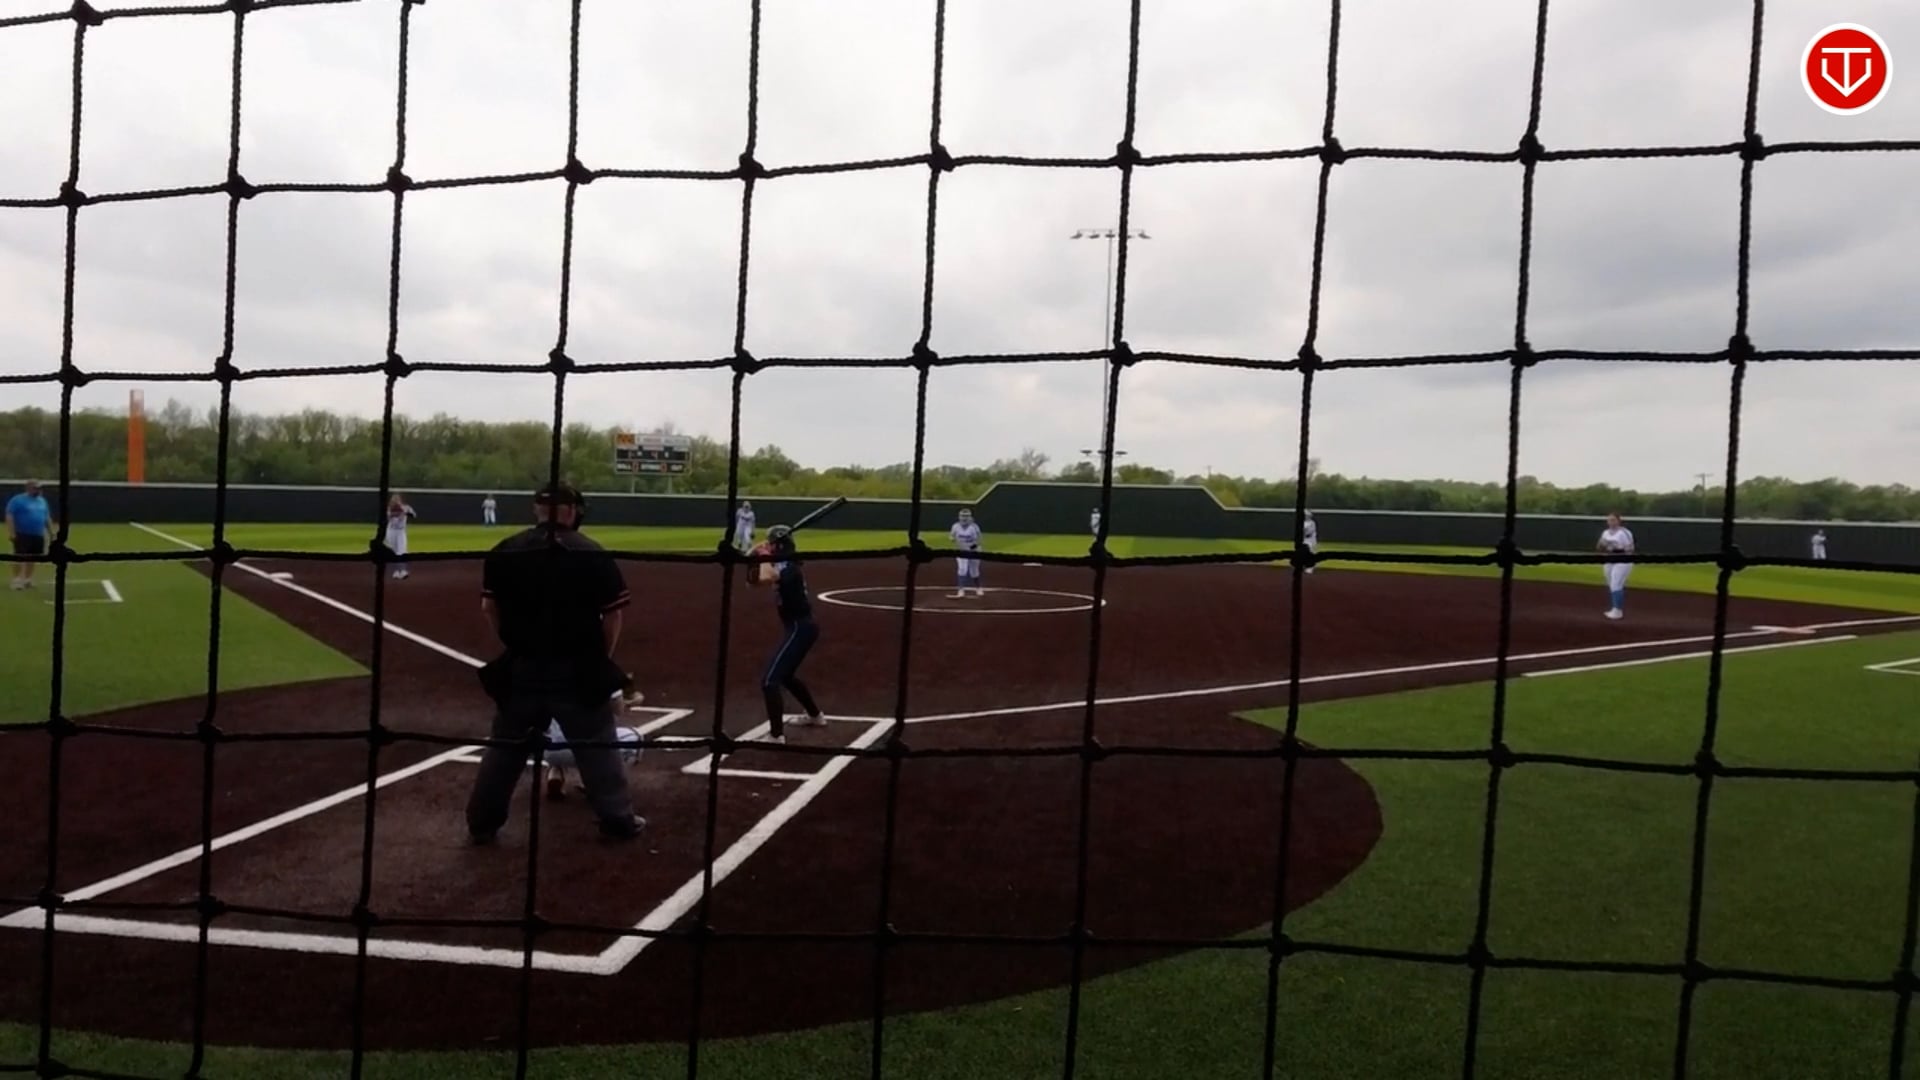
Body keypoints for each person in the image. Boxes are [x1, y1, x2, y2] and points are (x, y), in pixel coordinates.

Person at [466, 481, 645, 843]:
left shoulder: (506, 550)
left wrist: (515, 645)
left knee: (505, 748)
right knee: (597, 745)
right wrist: (598, 660)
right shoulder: (590, 552)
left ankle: (482, 823)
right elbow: (613, 617)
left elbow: (489, 607)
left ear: (536, 509)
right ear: (572, 511)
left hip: (522, 668)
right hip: (576, 669)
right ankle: (617, 821)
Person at [753, 524, 825, 746]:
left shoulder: (791, 567)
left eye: (772, 544)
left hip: (801, 628)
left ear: (780, 545)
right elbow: (754, 582)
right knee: (785, 676)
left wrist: (764, 556)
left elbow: (767, 578)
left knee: (769, 681)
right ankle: (815, 716)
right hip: (799, 627)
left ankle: (776, 736)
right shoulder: (781, 563)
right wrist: (755, 557)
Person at [6, 479, 54, 591]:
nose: (38, 490)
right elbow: (9, 515)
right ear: (28, 488)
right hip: (22, 533)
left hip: (37, 533)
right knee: (19, 556)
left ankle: (28, 579)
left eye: (39, 488)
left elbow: (46, 517)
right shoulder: (17, 500)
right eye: (35, 488)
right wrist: (12, 532)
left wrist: (51, 532)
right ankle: (17, 579)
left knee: (34, 557)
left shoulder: (42, 501)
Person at [1596, 512, 1635, 620]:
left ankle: (1617, 611)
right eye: (1609, 520)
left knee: (1616, 584)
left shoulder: (1624, 532)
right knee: (1611, 584)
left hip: (1623, 561)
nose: (1611, 522)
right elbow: (1599, 547)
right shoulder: (1605, 533)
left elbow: (1630, 549)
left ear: (1619, 521)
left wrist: (1615, 549)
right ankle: (1615, 608)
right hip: (1609, 560)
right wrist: (1602, 546)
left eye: (1613, 520)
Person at [949, 507, 984, 598]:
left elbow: (979, 539)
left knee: (974, 571)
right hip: (961, 551)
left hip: (974, 551)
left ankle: (978, 588)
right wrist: (953, 539)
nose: (964, 518)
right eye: (962, 516)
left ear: (970, 517)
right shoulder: (955, 526)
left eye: (966, 516)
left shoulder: (974, 527)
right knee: (962, 569)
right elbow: (951, 536)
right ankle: (961, 590)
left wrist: (971, 547)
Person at [383, 493, 416, 580]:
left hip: (401, 532)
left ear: (400, 500)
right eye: (394, 499)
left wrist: (407, 513)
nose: (395, 501)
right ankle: (396, 571)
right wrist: (399, 513)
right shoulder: (389, 509)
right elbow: (389, 517)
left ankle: (403, 571)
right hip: (391, 532)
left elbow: (414, 515)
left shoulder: (406, 507)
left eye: (397, 499)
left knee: (402, 550)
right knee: (394, 552)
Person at [1301, 510, 1319, 574]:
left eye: (1306, 515)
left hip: (1311, 540)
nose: (1305, 516)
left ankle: (1310, 567)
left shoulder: (1312, 523)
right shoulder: (1303, 522)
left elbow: (1309, 533)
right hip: (1304, 540)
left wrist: (1303, 531)